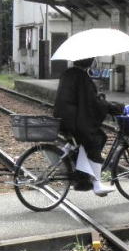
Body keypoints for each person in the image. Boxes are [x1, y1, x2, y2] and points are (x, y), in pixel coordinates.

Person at [53, 57, 123, 196]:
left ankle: (82, 176)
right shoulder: (82, 77)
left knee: (82, 142)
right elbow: (92, 103)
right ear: (88, 62)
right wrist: (112, 107)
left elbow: (86, 99)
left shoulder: (68, 73)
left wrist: (98, 99)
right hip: (74, 121)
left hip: (64, 118)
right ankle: (96, 184)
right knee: (97, 139)